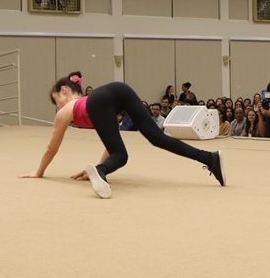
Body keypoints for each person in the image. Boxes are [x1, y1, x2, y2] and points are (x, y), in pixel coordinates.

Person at [19, 72, 225, 198]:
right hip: (119, 89)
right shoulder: (87, 103)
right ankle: (209, 158)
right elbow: (111, 141)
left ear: (63, 90)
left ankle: (100, 171)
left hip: (100, 99)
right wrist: (101, 167)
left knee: (122, 155)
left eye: (56, 100)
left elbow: (51, 148)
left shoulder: (65, 112)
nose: (57, 106)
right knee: (157, 138)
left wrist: (39, 172)